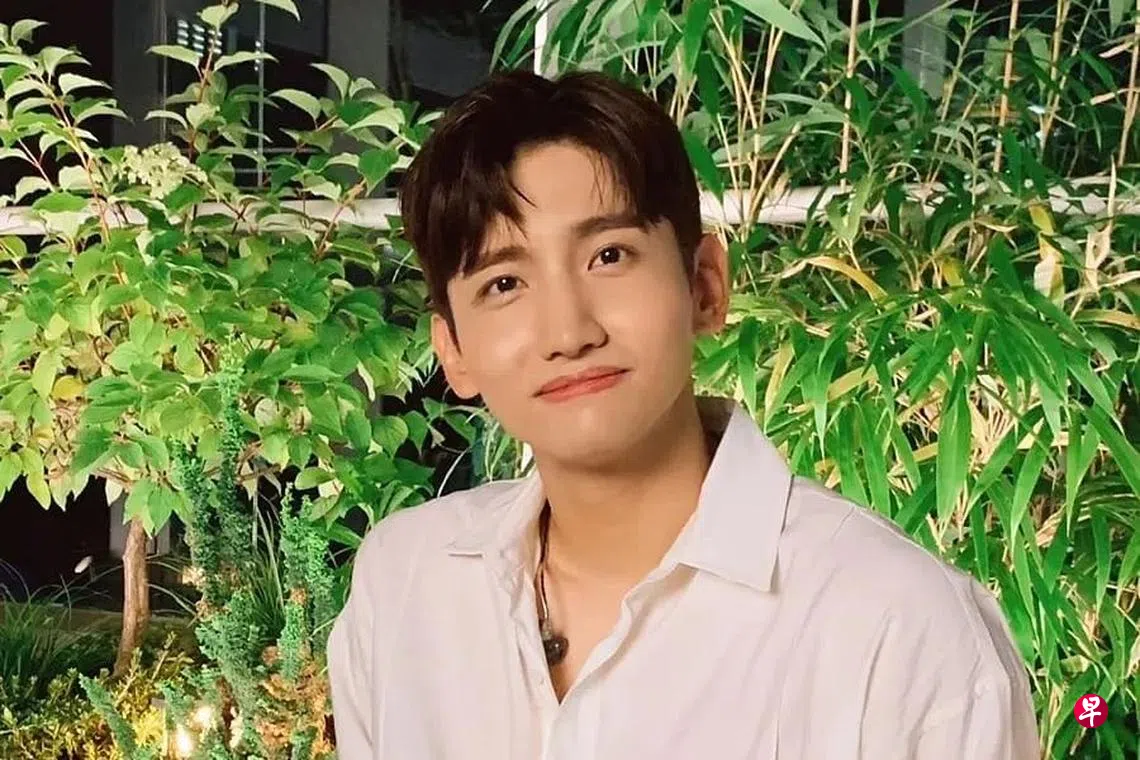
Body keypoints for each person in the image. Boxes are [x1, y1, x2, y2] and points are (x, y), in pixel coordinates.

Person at [327, 69, 1039, 759]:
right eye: (504, 283)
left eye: (609, 255)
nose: (568, 332)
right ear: (453, 350)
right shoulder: (405, 586)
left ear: (705, 286)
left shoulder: (900, 627)